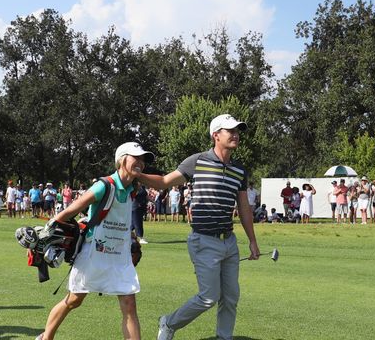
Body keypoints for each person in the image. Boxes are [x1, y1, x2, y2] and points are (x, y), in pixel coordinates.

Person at [135, 114, 260, 340]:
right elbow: (164, 182)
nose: (235, 134)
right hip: (204, 240)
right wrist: (137, 174)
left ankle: (224, 337)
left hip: (229, 241)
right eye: (229, 130)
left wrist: (252, 240)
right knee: (208, 297)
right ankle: (169, 322)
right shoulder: (198, 161)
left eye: (237, 131)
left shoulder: (239, 170)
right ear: (215, 135)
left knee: (231, 297)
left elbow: (243, 208)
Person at [38, 142, 153, 340]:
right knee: (74, 300)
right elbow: (72, 210)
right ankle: (46, 337)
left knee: (129, 304)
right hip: (94, 253)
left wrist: (132, 238)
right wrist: (47, 232)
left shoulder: (134, 188)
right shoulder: (104, 185)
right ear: (121, 159)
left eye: (143, 159)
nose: (141, 163)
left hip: (119, 255)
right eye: (136, 157)